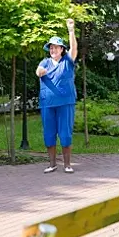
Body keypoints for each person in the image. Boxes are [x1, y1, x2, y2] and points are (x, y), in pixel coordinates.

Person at [36, 19, 78, 174]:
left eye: (56, 47)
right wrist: (40, 72)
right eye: (51, 47)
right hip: (47, 104)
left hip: (65, 103)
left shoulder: (67, 61)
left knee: (65, 134)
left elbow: (74, 48)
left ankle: (67, 165)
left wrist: (71, 30)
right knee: (49, 133)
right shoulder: (45, 62)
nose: (53, 50)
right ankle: (52, 164)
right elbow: (38, 71)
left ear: (62, 49)